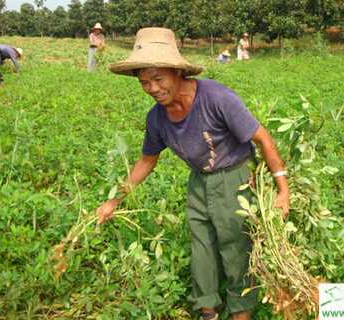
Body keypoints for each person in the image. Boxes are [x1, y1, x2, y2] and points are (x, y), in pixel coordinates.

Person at [97, 28, 289, 320]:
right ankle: (208, 310)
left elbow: (263, 139)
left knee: (236, 248)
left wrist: (283, 190)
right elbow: (146, 161)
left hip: (234, 180)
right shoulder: (157, 117)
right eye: (145, 82)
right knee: (202, 250)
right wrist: (115, 200)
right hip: (199, 183)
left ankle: (241, 311)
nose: (152, 88)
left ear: (177, 73)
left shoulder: (217, 98)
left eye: (158, 79)